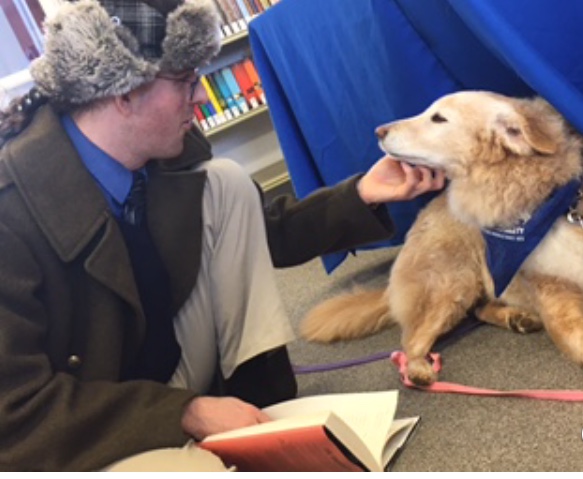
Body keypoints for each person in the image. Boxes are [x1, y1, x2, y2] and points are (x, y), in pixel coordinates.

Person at [0, 0, 445, 472]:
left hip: (162, 366)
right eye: (186, 81)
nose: (200, 97)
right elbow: (16, 415)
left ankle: (260, 405)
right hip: (85, 423)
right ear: (124, 92)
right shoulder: (12, 211)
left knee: (226, 181)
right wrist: (183, 413)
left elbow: (264, 228)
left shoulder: (164, 156)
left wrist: (363, 194)